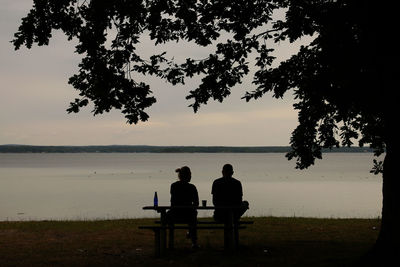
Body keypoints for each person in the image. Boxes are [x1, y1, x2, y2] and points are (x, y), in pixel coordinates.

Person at [167, 166, 199, 248]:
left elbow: (173, 202)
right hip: (188, 216)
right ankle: (194, 243)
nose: (191, 176)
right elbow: (196, 203)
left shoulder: (173, 186)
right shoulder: (192, 187)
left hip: (175, 215)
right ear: (188, 176)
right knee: (193, 214)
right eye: (190, 175)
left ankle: (170, 243)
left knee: (167, 216)